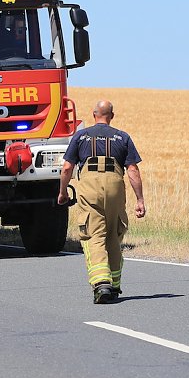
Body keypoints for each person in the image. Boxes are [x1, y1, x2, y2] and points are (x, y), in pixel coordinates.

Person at [58, 100, 146, 304]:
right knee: (113, 236)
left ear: (94, 114)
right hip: (115, 186)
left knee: (93, 235)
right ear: (112, 116)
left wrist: (63, 192)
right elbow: (132, 170)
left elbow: (67, 168)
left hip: (90, 187)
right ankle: (114, 284)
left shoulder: (81, 136)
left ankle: (101, 283)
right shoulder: (123, 137)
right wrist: (140, 200)